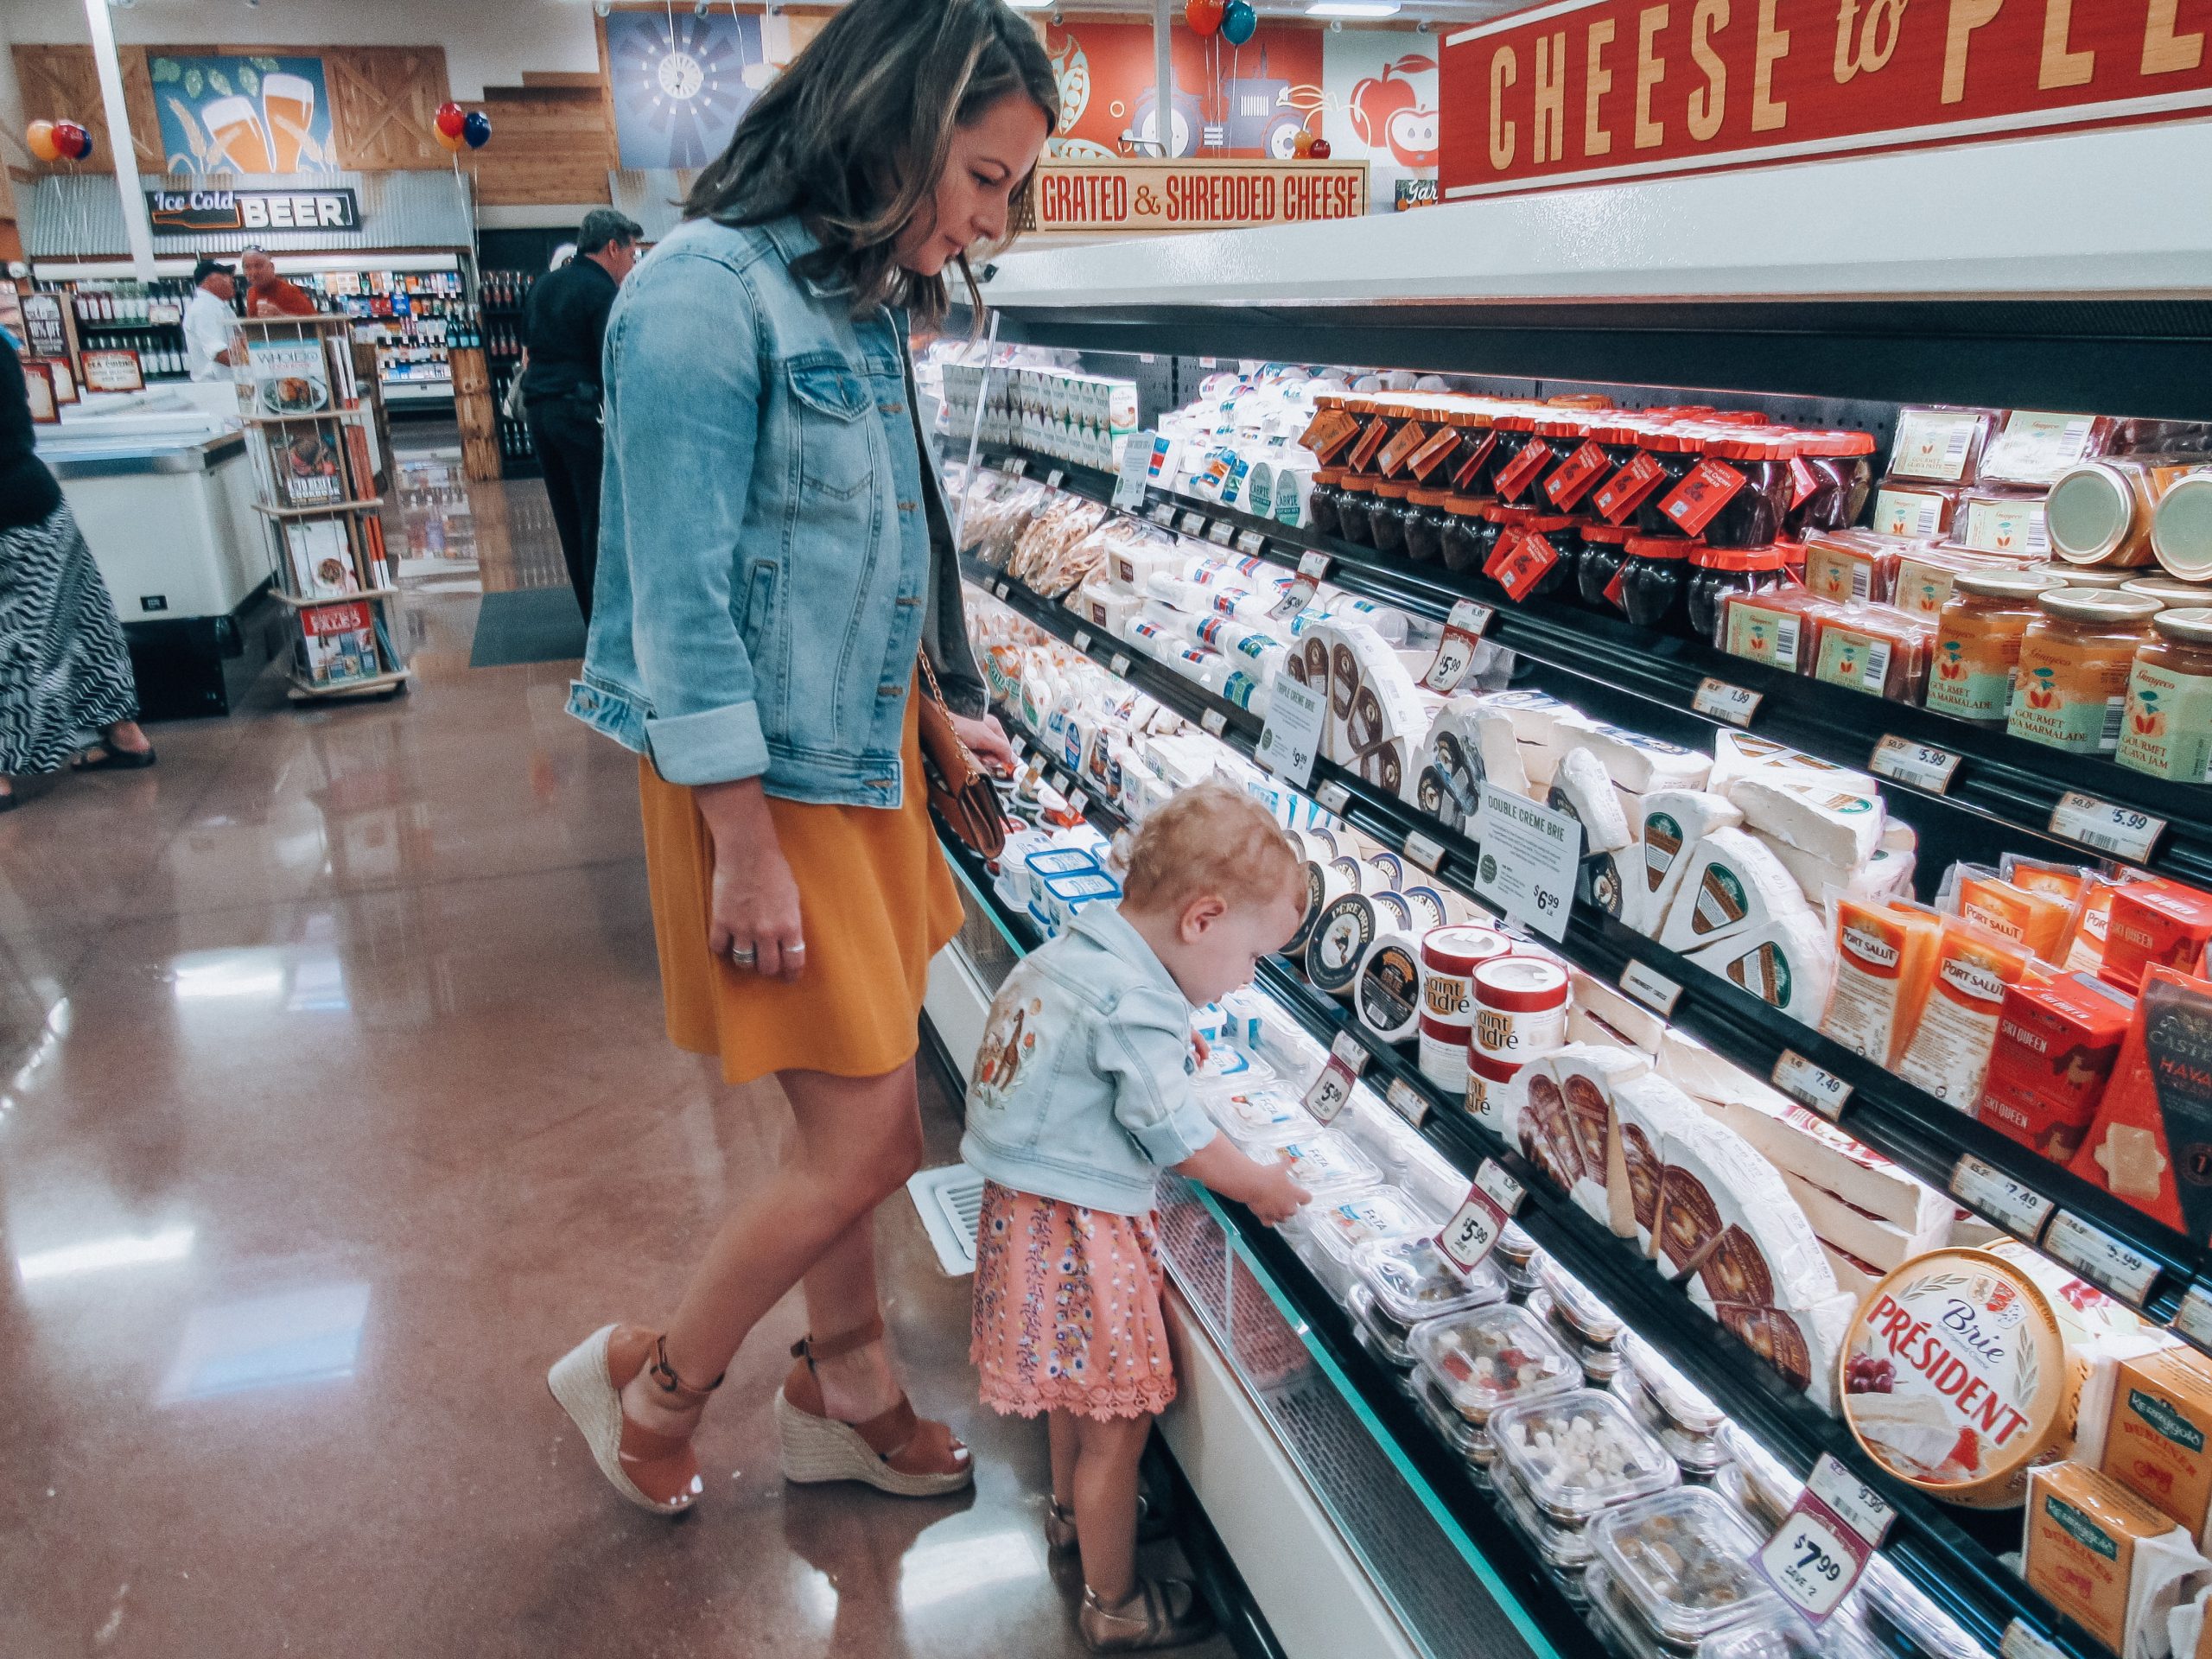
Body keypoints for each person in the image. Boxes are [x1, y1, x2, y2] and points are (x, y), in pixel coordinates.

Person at [549, 0, 1056, 1520]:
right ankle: (655, 1385)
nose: (991, 219)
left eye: (1014, 187)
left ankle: (850, 1389)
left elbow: (861, 557)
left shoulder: (855, 297)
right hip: (758, 786)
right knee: (875, 1135)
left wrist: (923, 715)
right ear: (887, 121)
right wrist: (747, 843)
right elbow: (681, 601)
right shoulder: (703, 294)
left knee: (841, 1115)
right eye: (980, 174)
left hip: (857, 759)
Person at [964, 786, 1311, 1651]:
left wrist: (1171, 1042)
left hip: (1022, 1220)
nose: (1248, 977)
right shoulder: (1138, 1006)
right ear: (1201, 920)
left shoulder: (1089, 947)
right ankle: (1112, 1601)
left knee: (1067, 1399)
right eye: (1252, 956)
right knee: (1116, 1434)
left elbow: (1086, 1047)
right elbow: (1183, 1138)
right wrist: (1258, 1185)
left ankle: (1068, 1518)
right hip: (1083, 1235)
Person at [0, 333, 156, 810]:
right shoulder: (2, 341)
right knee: (86, 620)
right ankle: (125, 736)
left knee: (14, 638)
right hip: (36, 495)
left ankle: (3, 772)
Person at [518, 208, 643, 624]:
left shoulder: (544, 286)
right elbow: (612, 364)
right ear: (612, 247)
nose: (631, 264)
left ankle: (591, 619)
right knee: (597, 516)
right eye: (631, 253)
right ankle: (608, 622)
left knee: (569, 516)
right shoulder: (603, 294)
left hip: (539, 412)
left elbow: (528, 350)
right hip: (579, 411)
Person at [181, 257, 241, 380]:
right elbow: (219, 353)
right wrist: (256, 365)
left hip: (228, 385)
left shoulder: (220, 307)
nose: (232, 280)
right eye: (226, 275)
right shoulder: (204, 308)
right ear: (210, 279)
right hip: (217, 387)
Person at [238, 247, 316, 318]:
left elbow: (321, 326)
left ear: (272, 267)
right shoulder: (251, 293)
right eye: (247, 267)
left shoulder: (288, 291)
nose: (253, 273)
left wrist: (281, 316)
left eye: (259, 266)